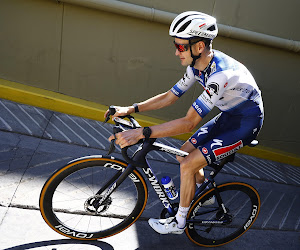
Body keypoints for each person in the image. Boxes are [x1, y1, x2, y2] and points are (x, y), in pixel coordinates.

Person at [106, 11, 264, 234]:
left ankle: (179, 223)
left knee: (189, 164)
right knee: (183, 154)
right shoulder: (196, 67)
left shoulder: (221, 75)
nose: (176, 52)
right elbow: (170, 96)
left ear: (199, 47)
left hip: (246, 124)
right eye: (176, 45)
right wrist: (132, 108)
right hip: (228, 116)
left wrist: (142, 133)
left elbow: (189, 122)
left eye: (181, 47)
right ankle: (202, 197)